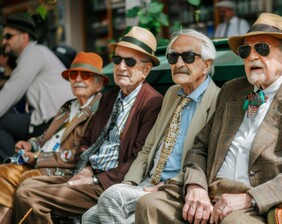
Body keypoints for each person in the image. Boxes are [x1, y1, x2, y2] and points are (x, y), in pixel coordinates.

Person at [136, 13, 282, 224]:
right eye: (245, 51)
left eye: (262, 48)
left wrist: (250, 198)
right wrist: (196, 187)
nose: (252, 57)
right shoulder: (233, 90)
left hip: (262, 204)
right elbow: (200, 147)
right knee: (150, 205)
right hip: (212, 194)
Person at [14, 26, 164, 224]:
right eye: (117, 60)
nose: (121, 67)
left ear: (146, 69)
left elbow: (138, 160)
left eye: (130, 62)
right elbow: (87, 140)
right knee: (26, 185)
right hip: (88, 173)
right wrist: (86, 169)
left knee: (29, 195)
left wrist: (95, 179)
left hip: (110, 184)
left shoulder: (152, 103)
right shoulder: (110, 97)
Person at [82, 28, 220, 223]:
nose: (179, 64)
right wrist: (129, 183)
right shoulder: (173, 93)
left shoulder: (217, 100)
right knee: (89, 218)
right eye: (173, 57)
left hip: (177, 188)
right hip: (147, 182)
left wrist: (169, 185)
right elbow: (147, 149)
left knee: (112, 198)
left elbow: (209, 159)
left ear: (206, 65)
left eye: (188, 57)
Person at [0, 51, 107, 224]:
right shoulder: (67, 106)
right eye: (74, 74)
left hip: (63, 171)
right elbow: (45, 138)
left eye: (86, 75)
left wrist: (37, 157)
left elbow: (81, 154)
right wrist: (30, 145)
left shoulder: (99, 111)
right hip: (39, 162)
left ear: (99, 83)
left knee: (26, 181)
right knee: (3, 172)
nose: (78, 79)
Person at [0, 13, 74, 162]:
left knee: (2, 122)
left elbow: (10, 92)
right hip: (51, 116)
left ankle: (14, 168)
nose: (3, 41)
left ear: (24, 37)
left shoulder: (34, 52)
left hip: (55, 119)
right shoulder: (34, 53)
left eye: (8, 36)